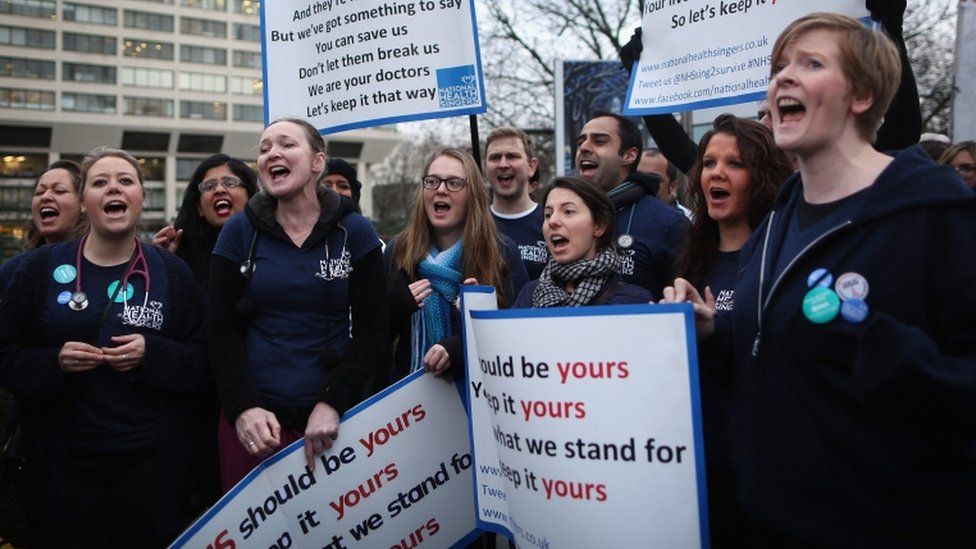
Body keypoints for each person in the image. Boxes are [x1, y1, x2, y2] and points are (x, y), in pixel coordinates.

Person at [666, 13, 976, 545]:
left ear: (863, 94)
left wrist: (904, 366)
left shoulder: (936, 214)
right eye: (780, 65)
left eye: (810, 63)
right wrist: (715, 334)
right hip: (767, 521)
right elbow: (771, 350)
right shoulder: (773, 229)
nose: (782, 77)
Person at [0, 147, 208, 547]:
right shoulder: (40, 268)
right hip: (62, 466)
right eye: (100, 182)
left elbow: (203, 361)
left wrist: (154, 354)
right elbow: (5, 352)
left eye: (125, 181)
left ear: (142, 197)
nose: (114, 188)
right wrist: (52, 362)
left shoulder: (172, 274)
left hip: (150, 466)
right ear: (83, 203)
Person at [208, 117, 387, 491]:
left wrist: (334, 401)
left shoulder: (355, 231)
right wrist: (243, 408)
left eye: (287, 144)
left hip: (330, 427)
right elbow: (220, 330)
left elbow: (374, 327)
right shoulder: (238, 232)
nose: (273, 152)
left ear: (318, 162)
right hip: (254, 430)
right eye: (264, 148)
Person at [619, 0, 921, 174]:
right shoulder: (752, 192)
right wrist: (644, 75)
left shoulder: (867, 181)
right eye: (779, 68)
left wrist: (890, 28)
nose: (768, 119)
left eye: (812, 64)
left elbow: (902, 132)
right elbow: (681, 151)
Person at [672, 114, 792, 547]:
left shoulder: (781, 259)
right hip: (698, 467)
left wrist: (716, 333)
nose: (716, 173)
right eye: (708, 163)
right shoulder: (690, 261)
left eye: (735, 164)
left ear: (762, 177)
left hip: (761, 471)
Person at [382, 148, 528, 385]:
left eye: (454, 183)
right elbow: (373, 340)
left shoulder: (501, 252)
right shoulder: (398, 251)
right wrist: (394, 308)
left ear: (473, 195)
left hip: (478, 398)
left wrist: (465, 339)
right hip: (409, 403)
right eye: (432, 181)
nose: (441, 189)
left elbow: (519, 337)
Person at [575, 111, 688, 299]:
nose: (584, 147)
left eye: (599, 141)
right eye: (581, 142)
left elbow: (687, 304)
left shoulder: (669, 224)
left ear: (629, 155)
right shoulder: (563, 219)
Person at [514, 176, 650, 307]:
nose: (552, 221)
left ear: (599, 226)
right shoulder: (529, 295)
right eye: (547, 215)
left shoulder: (633, 301)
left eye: (568, 211)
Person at [152, 154, 258, 285]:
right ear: (199, 208)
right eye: (209, 186)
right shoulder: (182, 260)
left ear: (251, 196)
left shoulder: (270, 245)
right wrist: (164, 262)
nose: (219, 190)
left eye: (230, 183)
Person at [0, 160, 87, 291]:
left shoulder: (103, 265)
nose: (45, 197)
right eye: (39, 192)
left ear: (84, 203)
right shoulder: (14, 270)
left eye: (59, 191)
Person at [486, 127, 548, 280]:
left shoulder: (552, 222)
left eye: (512, 156)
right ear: (485, 167)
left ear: (531, 167)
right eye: (494, 157)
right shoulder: (472, 225)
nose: (503, 164)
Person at [638, 148, 692, 218]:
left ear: (673, 187)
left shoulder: (690, 224)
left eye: (652, 179)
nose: (643, 184)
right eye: (638, 177)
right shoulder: (622, 215)